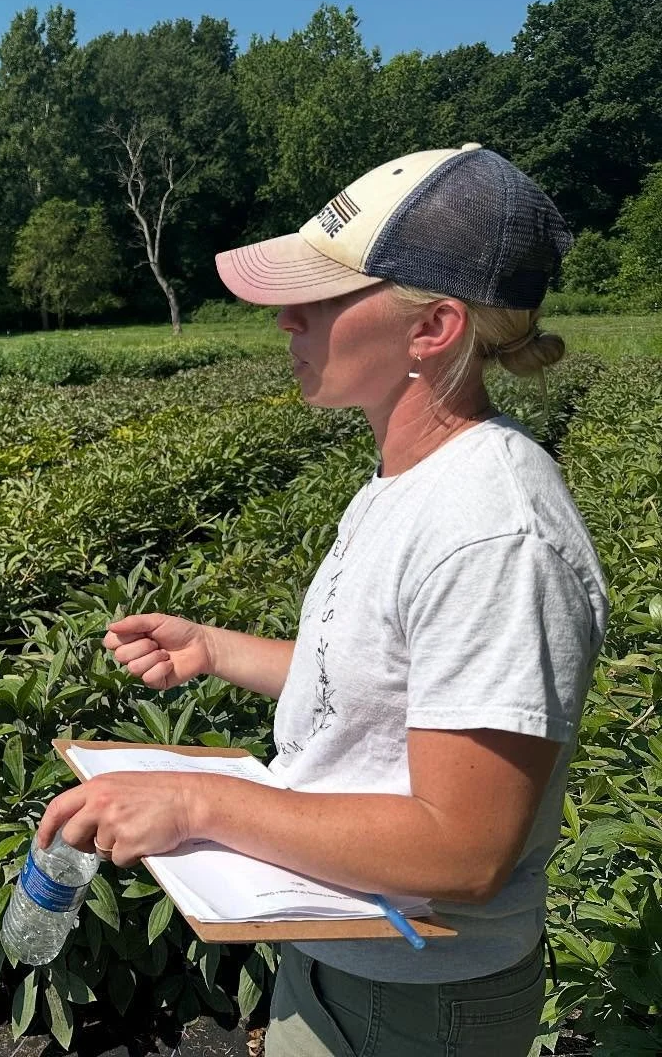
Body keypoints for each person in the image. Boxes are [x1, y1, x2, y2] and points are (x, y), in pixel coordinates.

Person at [35, 144, 609, 1056]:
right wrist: (215, 649)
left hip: (416, 999)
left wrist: (195, 805)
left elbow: (461, 851)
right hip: (346, 944)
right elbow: (397, 689)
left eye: (323, 298)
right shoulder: (406, 478)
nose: (284, 321)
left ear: (434, 329)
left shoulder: (494, 533)